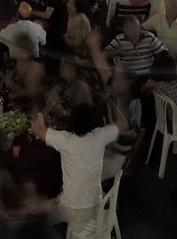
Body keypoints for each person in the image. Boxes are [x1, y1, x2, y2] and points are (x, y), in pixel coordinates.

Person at [33, 101, 122, 239]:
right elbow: (122, 123)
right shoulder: (100, 136)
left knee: (41, 217)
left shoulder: (65, 140)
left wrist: (42, 111)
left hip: (71, 209)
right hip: (95, 204)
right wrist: (112, 102)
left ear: (71, 122)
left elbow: (36, 129)